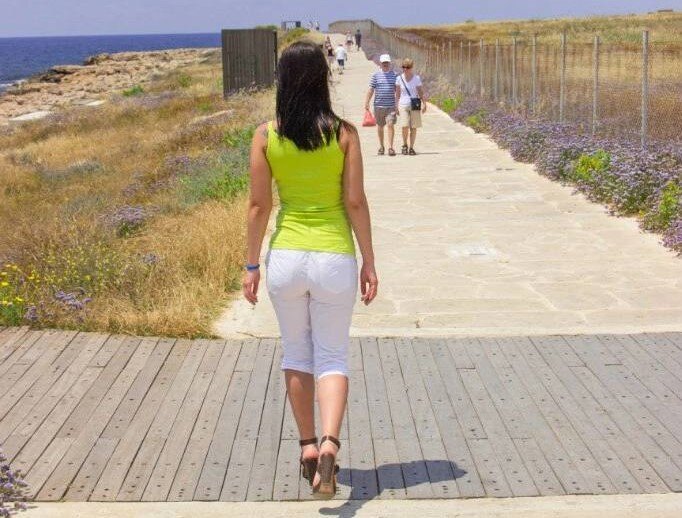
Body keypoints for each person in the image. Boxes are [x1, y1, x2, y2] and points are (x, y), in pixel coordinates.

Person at [242, 41, 378, 498]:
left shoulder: (266, 135)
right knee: (333, 356)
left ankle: (306, 446)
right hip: (334, 257)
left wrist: (251, 265)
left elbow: (259, 206)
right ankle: (331, 443)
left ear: (282, 81)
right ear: (323, 78)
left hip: (286, 258)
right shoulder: (344, 134)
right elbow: (354, 202)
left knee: (296, 354)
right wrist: (369, 261)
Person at [364, 53, 397, 156]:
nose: (385, 64)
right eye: (383, 63)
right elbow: (371, 90)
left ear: (389, 63)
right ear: (380, 63)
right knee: (380, 126)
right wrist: (367, 102)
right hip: (378, 106)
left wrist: (398, 104)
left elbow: (398, 91)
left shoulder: (395, 75)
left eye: (387, 62)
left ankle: (390, 147)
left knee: (390, 125)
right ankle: (381, 146)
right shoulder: (375, 76)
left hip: (391, 106)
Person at [395, 58, 427, 155]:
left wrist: (424, 103)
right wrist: (396, 105)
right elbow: (397, 93)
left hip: (414, 104)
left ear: (411, 67)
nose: (405, 69)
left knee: (414, 127)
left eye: (407, 67)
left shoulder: (416, 78)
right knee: (404, 126)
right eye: (403, 67)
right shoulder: (399, 78)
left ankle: (411, 147)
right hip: (403, 104)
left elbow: (420, 92)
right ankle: (405, 144)